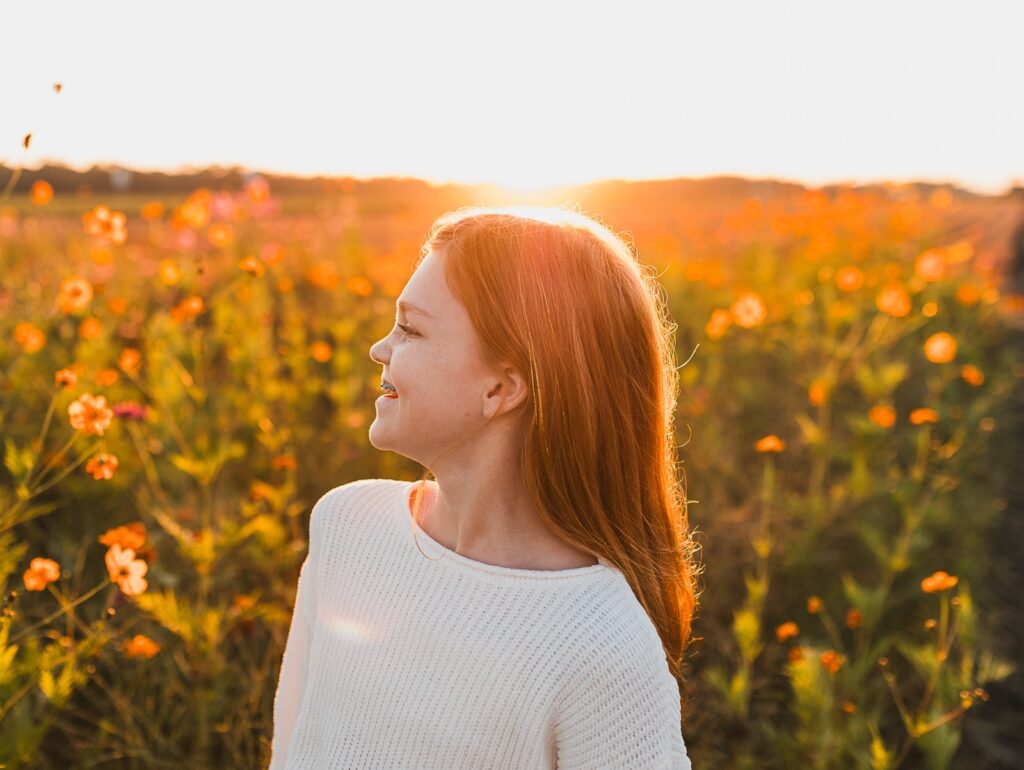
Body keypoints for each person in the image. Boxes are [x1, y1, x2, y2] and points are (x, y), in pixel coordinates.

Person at [269, 205, 700, 769]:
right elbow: (292, 750)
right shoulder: (346, 525)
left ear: (500, 388)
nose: (380, 347)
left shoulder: (605, 649)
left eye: (410, 327)